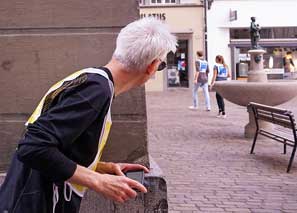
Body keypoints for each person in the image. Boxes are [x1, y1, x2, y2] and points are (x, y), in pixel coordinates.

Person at [0, 18, 177, 213]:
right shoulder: (95, 90)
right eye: (161, 66)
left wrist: (104, 167)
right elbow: (32, 147)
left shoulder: (92, 80)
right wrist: (98, 181)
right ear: (151, 66)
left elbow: (57, 147)